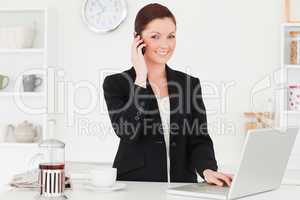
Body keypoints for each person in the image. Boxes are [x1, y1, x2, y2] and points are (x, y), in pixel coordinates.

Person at [103, 3, 232, 186]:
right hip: (136, 186)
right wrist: (140, 78)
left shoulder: (189, 84)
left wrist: (207, 169)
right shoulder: (116, 83)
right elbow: (126, 130)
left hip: (182, 184)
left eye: (171, 36)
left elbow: (198, 137)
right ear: (137, 39)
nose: (165, 44)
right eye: (155, 36)